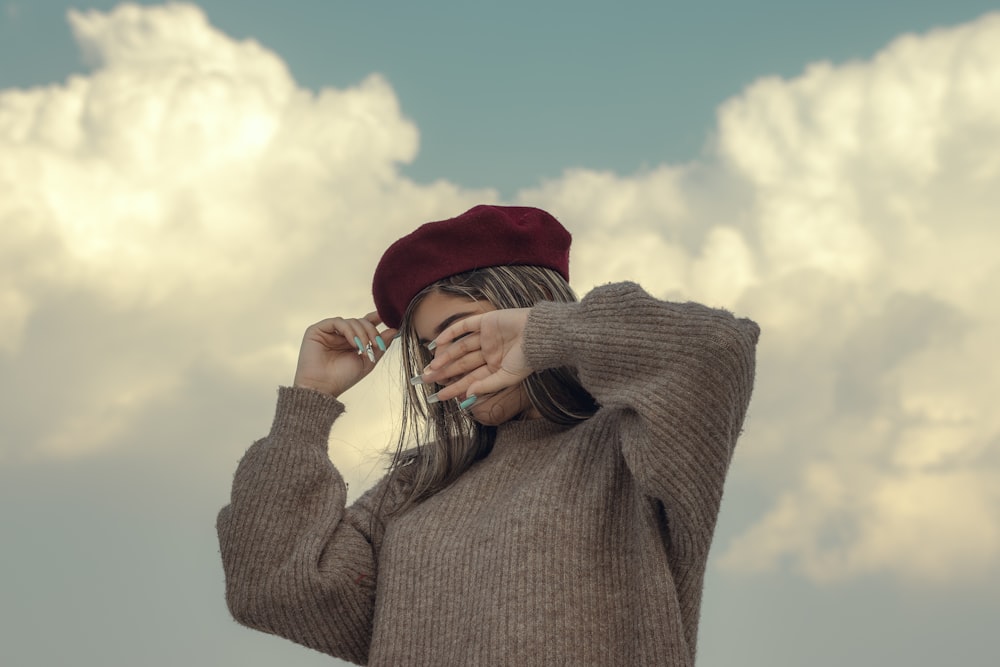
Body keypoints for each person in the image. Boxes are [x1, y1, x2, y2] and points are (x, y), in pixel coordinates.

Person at [217, 204, 760, 666]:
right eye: (429, 347)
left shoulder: (631, 443)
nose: (442, 363)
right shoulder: (416, 487)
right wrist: (310, 401)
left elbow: (718, 348)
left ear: (526, 308)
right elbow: (274, 590)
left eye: (463, 333)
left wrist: (544, 333)